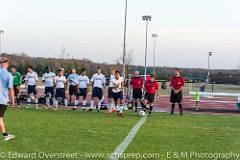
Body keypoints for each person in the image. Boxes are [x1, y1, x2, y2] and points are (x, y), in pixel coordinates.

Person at [0, 57, 15, 141]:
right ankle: (5, 135)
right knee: (0, 118)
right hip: (2, 99)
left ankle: (5, 133)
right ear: (7, 63)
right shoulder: (9, 75)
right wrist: (13, 101)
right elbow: (11, 89)